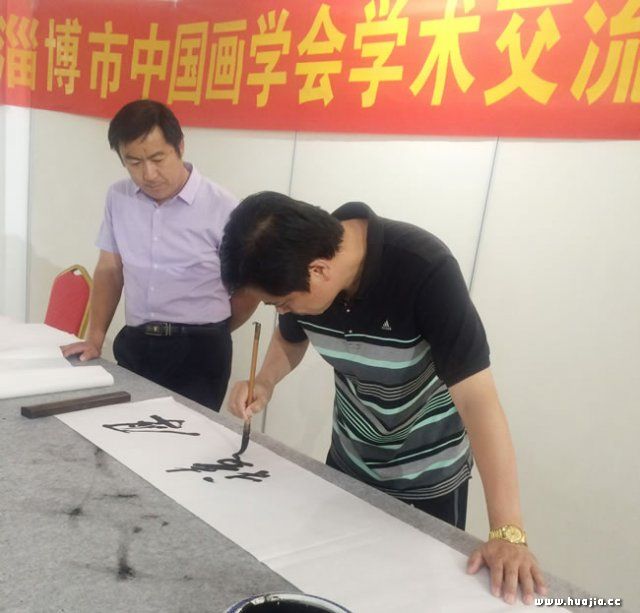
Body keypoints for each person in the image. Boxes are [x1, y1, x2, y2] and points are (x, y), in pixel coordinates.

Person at [221, 191, 547, 605]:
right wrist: (266, 381)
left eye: (282, 303)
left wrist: (507, 532)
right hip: (348, 464)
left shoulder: (424, 269)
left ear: (319, 271)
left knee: (411, 600)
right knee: (338, 588)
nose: (282, 311)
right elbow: (291, 339)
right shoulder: (297, 263)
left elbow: (477, 400)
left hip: (427, 478)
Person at [62, 100, 256, 411]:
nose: (148, 174)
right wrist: (95, 338)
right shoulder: (118, 197)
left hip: (200, 352)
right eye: (134, 162)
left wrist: (214, 329)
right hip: (136, 341)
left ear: (180, 146)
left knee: (186, 435)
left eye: (157, 158)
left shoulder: (223, 206)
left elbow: (248, 290)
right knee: (122, 428)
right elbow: (110, 269)